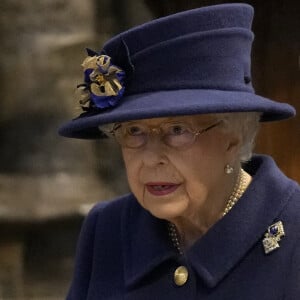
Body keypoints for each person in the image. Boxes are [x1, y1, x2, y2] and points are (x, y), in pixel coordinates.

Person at [59, 3, 300, 299]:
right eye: (134, 131)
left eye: (177, 130)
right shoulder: (107, 227)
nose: (150, 158)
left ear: (233, 136)